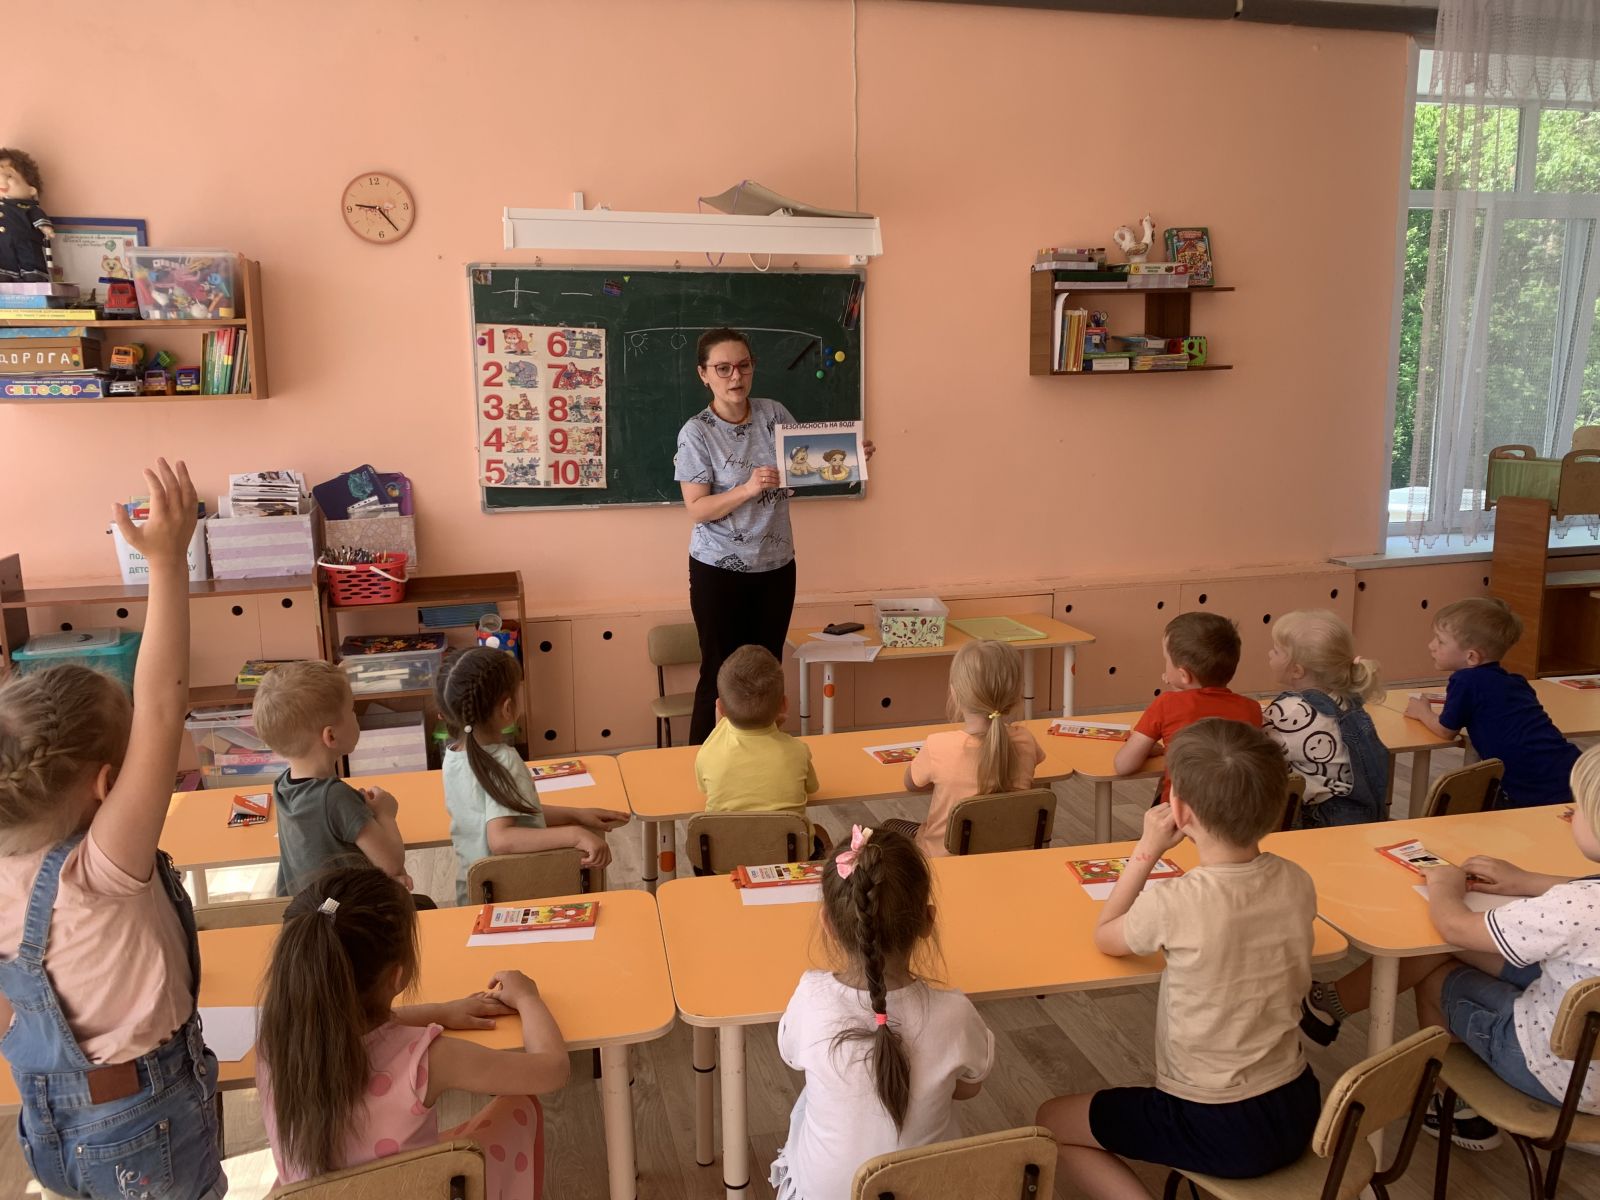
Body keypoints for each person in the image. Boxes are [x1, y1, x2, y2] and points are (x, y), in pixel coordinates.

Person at [0, 459, 228, 1199]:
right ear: (107, 785)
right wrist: (168, 561)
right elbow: (162, 704)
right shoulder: (101, 867)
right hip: (141, 1117)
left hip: (49, 1113)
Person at [1037, 720, 1321, 1198]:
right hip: (1298, 1104)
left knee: (1050, 1122)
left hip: (1213, 1121)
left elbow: (1106, 936)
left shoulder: (1177, 902)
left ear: (1180, 811)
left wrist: (1146, 849)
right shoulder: (1297, 880)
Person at [1300, 744, 1600, 1151]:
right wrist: (1526, 881)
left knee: (1439, 969)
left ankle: (1453, 1109)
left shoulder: (1574, 907)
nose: (1571, 812)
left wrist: (1444, 886)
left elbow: (1456, 927)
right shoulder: (1580, 901)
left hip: (1563, 1076)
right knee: (1456, 946)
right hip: (1581, 1035)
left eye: (1579, 806)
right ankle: (1332, 1003)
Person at [257, 866, 569, 1195]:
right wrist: (527, 997)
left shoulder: (274, 1040)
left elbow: (346, 1027)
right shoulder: (431, 1059)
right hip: (413, 1190)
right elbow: (552, 1070)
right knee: (521, 1107)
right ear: (397, 976)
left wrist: (440, 1012)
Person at [674, 327, 875, 744]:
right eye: (723, 368)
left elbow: (801, 467)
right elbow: (697, 508)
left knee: (766, 671)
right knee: (719, 673)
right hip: (718, 570)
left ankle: (764, 760)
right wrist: (748, 488)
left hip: (776, 567)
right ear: (703, 374)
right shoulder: (697, 432)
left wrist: (848, 457)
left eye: (743, 365)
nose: (735, 376)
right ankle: (700, 763)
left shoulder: (774, 414)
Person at [769, 826, 993, 1200]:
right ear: (928, 921)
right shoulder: (955, 1013)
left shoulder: (811, 997)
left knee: (809, 1101)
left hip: (825, 1194)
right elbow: (969, 1088)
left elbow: (792, 1057)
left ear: (827, 923)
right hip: (927, 1192)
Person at [436, 647, 626, 906]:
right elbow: (501, 839)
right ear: (507, 708)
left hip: (477, 894)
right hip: (520, 891)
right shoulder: (503, 760)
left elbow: (506, 812)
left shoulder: (455, 755)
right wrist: (575, 834)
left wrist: (575, 814)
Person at [253, 660, 411, 898]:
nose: (356, 716)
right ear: (331, 736)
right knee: (425, 905)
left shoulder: (283, 786)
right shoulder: (335, 797)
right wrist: (385, 813)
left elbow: (323, 846)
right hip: (347, 914)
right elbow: (392, 863)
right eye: (352, 710)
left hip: (308, 910)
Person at [1403, 597, 1579, 808]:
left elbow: (1446, 730)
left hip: (1531, 782)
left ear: (1472, 657)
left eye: (1440, 641)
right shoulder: (1516, 682)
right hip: (1569, 766)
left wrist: (1422, 711)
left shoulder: (1465, 680)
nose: (1431, 646)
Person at [891, 639, 1044, 858]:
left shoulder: (937, 746)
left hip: (943, 861)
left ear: (955, 693)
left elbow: (911, 784)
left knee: (890, 826)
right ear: (1016, 695)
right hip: (1008, 858)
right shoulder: (1026, 741)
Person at [1114, 612, 1262, 802]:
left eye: (1166, 659)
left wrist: (1147, 748)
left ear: (1184, 675)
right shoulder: (1251, 709)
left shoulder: (1167, 704)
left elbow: (1124, 765)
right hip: (1234, 813)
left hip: (1178, 813)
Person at [695, 644, 825, 857]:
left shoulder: (707, 754)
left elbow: (704, 788)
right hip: (789, 862)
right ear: (784, 705)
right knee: (821, 833)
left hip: (723, 863)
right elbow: (812, 788)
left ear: (720, 709)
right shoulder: (797, 751)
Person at [1262, 610, 1389, 826]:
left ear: (1297, 671)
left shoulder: (1290, 710)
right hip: (1363, 815)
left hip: (1319, 821)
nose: (1269, 654)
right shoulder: (1349, 699)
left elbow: (1257, 750)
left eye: (1276, 650)